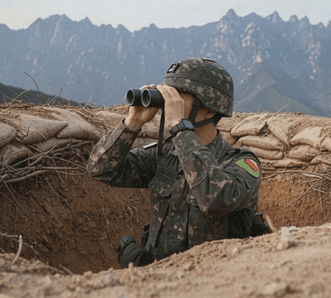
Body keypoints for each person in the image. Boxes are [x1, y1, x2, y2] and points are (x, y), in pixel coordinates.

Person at [86, 57, 262, 267]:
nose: (169, 102)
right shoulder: (165, 154)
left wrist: (180, 127)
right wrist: (132, 123)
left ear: (210, 109)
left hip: (214, 278)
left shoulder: (240, 163)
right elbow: (100, 169)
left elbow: (215, 199)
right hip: (158, 276)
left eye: (177, 97)